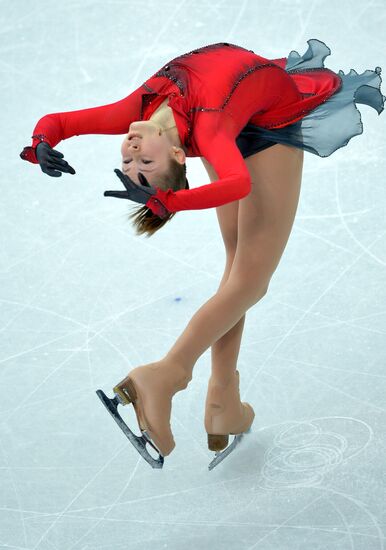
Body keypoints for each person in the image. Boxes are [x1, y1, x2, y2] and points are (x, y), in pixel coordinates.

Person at [20, 39, 385, 470]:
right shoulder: (205, 130)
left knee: (240, 275)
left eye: (131, 164)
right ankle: (168, 375)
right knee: (249, 281)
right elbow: (236, 182)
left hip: (253, 113)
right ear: (178, 155)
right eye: (145, 168)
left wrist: (44, 139)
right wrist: (165, 201)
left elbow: (63, 121)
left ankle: (222, 402)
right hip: (257, 123)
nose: (132, 153)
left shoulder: (140, 108)